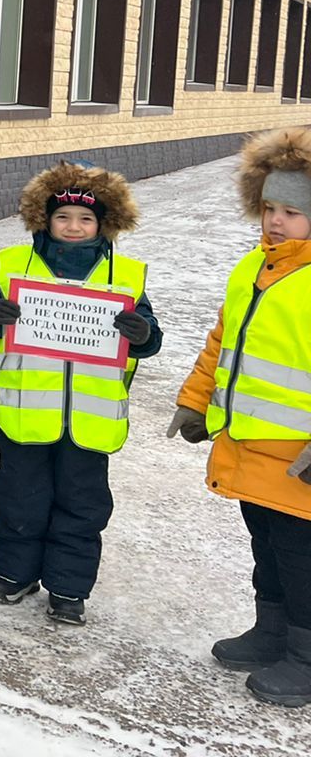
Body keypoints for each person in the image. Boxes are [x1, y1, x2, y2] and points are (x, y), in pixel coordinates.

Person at [0, 163, 161, 627]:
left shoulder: (127, 276)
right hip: (24, 413)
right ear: (45, 220)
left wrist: (141, 333)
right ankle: (15, 573)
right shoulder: (17, 264)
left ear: (103, 225)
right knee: (19, 498)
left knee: (82, 505)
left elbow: (151, 340)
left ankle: (68, 587)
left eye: (85, 220)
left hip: (91, 421)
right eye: (63, 218)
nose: (74, 228)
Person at [169, 128, 311, 707]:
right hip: (251, 446)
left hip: (299, 460)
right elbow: (222, 341)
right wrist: (195, 400)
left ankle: (305, 655)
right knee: (266, 547)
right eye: (270, 208)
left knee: (301, 558)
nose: (276, 221)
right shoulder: (254, 267)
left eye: (293, 212)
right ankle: (271, 631)